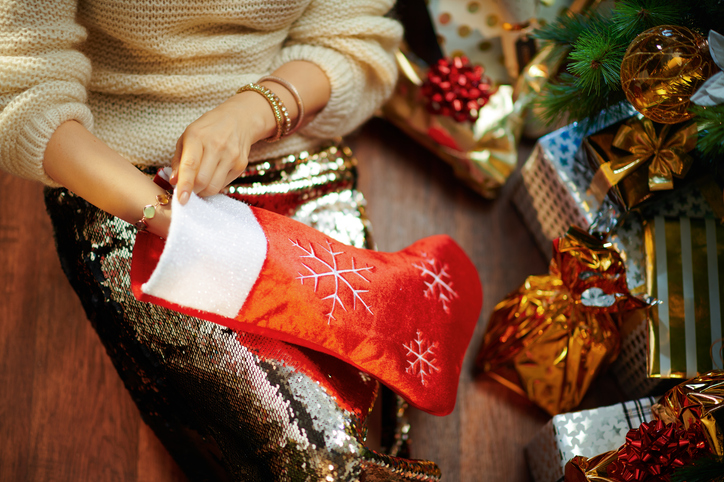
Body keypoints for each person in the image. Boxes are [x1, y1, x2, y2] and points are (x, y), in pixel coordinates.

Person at [0, 1, 440, 480]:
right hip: (124, 180)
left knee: (378, 385)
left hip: (289, 143)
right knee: (314, 460)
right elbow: (22, 91)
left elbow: (355, 40)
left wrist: (253, 112)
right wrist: (166, 216)